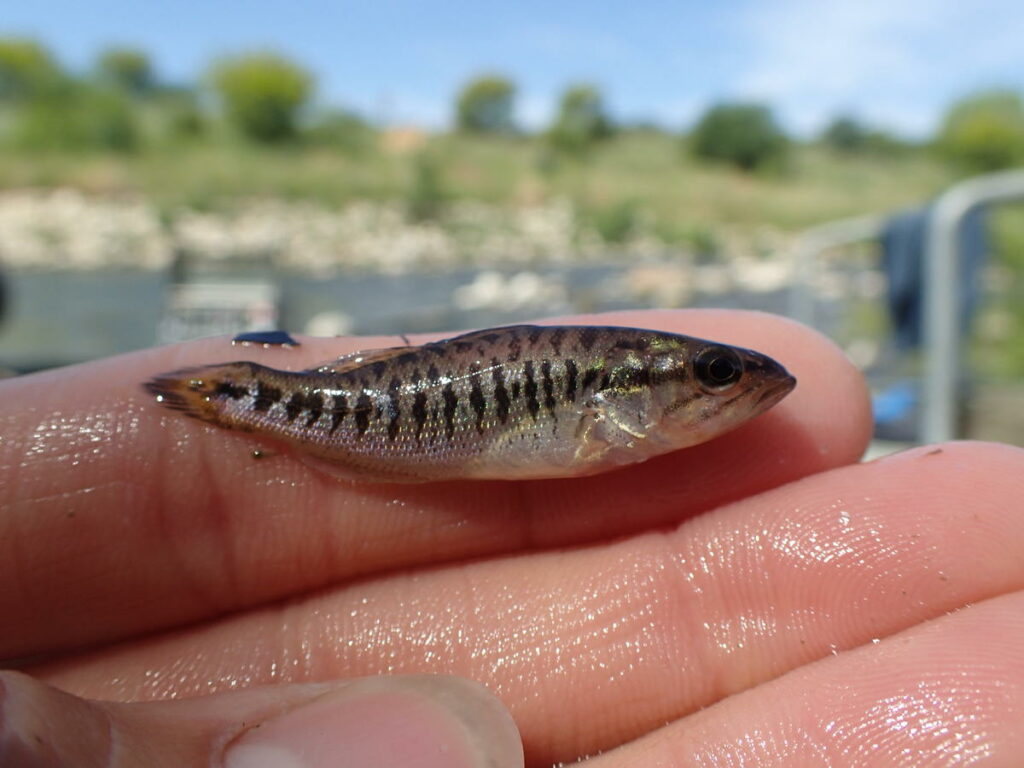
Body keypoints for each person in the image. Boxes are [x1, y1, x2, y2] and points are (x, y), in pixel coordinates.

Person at [2, 309, 1022, 768]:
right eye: (711, 379)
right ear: (627, 395)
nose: (741, 394)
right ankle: (236, 400)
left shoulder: (613, 413)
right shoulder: (595, 407)